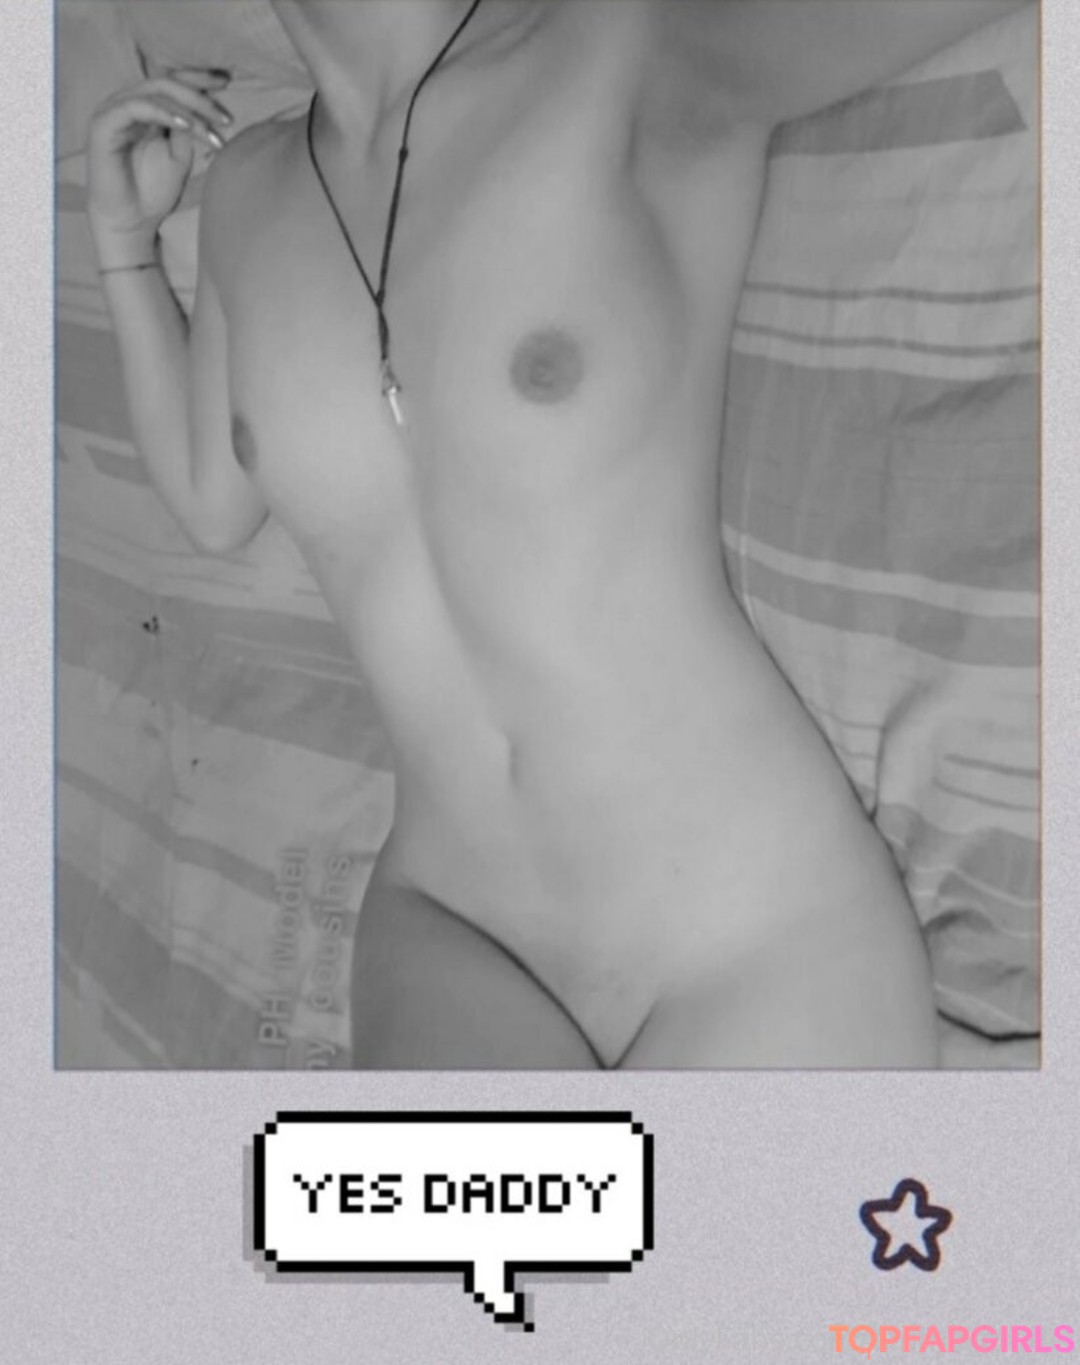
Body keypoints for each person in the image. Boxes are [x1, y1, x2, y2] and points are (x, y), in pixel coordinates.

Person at [85, 0, 1026, 1070]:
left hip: (749, 924)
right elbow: (213, 502)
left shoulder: (623, 43)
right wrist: (120, 247)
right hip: (446, 918)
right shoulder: (246, 188)